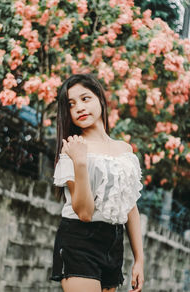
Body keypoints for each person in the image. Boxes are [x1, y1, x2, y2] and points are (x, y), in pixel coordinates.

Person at [50, 73, 144, 292]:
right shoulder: (73, 149)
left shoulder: (125, 150)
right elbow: (84, 212)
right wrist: (80, 163)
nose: (80, 108)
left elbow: (130, 207)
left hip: (113, 245)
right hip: (79, 241)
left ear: (100, 99)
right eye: (71, 104)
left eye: (85, 98)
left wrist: (139, 259)